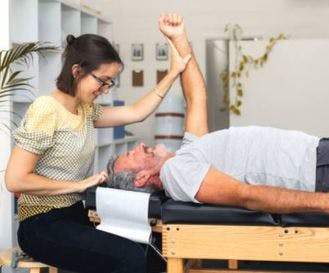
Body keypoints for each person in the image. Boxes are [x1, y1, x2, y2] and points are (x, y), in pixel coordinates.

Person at [107, 13, 329, 223]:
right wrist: (328, 202)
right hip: (325, 172)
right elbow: (247, 196)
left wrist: (180, 40)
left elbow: (196, 97)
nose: (136, 148)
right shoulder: (176, 174)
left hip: (326, 152)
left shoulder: (187, 156)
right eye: (130, 156)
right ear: (142, 178)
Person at [5, 23, 191, 273]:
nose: (105, 90)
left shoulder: (84, 109)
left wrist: (173, 72)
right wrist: (77, 185)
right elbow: (15, 180)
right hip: (41, 224)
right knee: (129, 258)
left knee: (152, 255)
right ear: (77, 71)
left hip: (74, 215)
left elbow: (136, 112)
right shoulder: (46, 109)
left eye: (110, 83)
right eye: (102, 81)